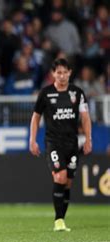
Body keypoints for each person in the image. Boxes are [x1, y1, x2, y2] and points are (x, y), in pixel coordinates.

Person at [29, 58, 92, 232]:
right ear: (53, 74)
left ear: (70, 73)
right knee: (60, 177)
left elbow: (85, 117)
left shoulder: (77, 93)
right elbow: (36, 117)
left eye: (65, 72)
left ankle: (62, 219)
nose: (62, 76)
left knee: (68, 182)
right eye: (59, 73)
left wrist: (88, 139)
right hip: (53, 142)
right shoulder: (46, 93)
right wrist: (32, 140)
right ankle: (58, 220)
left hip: (72, 143)